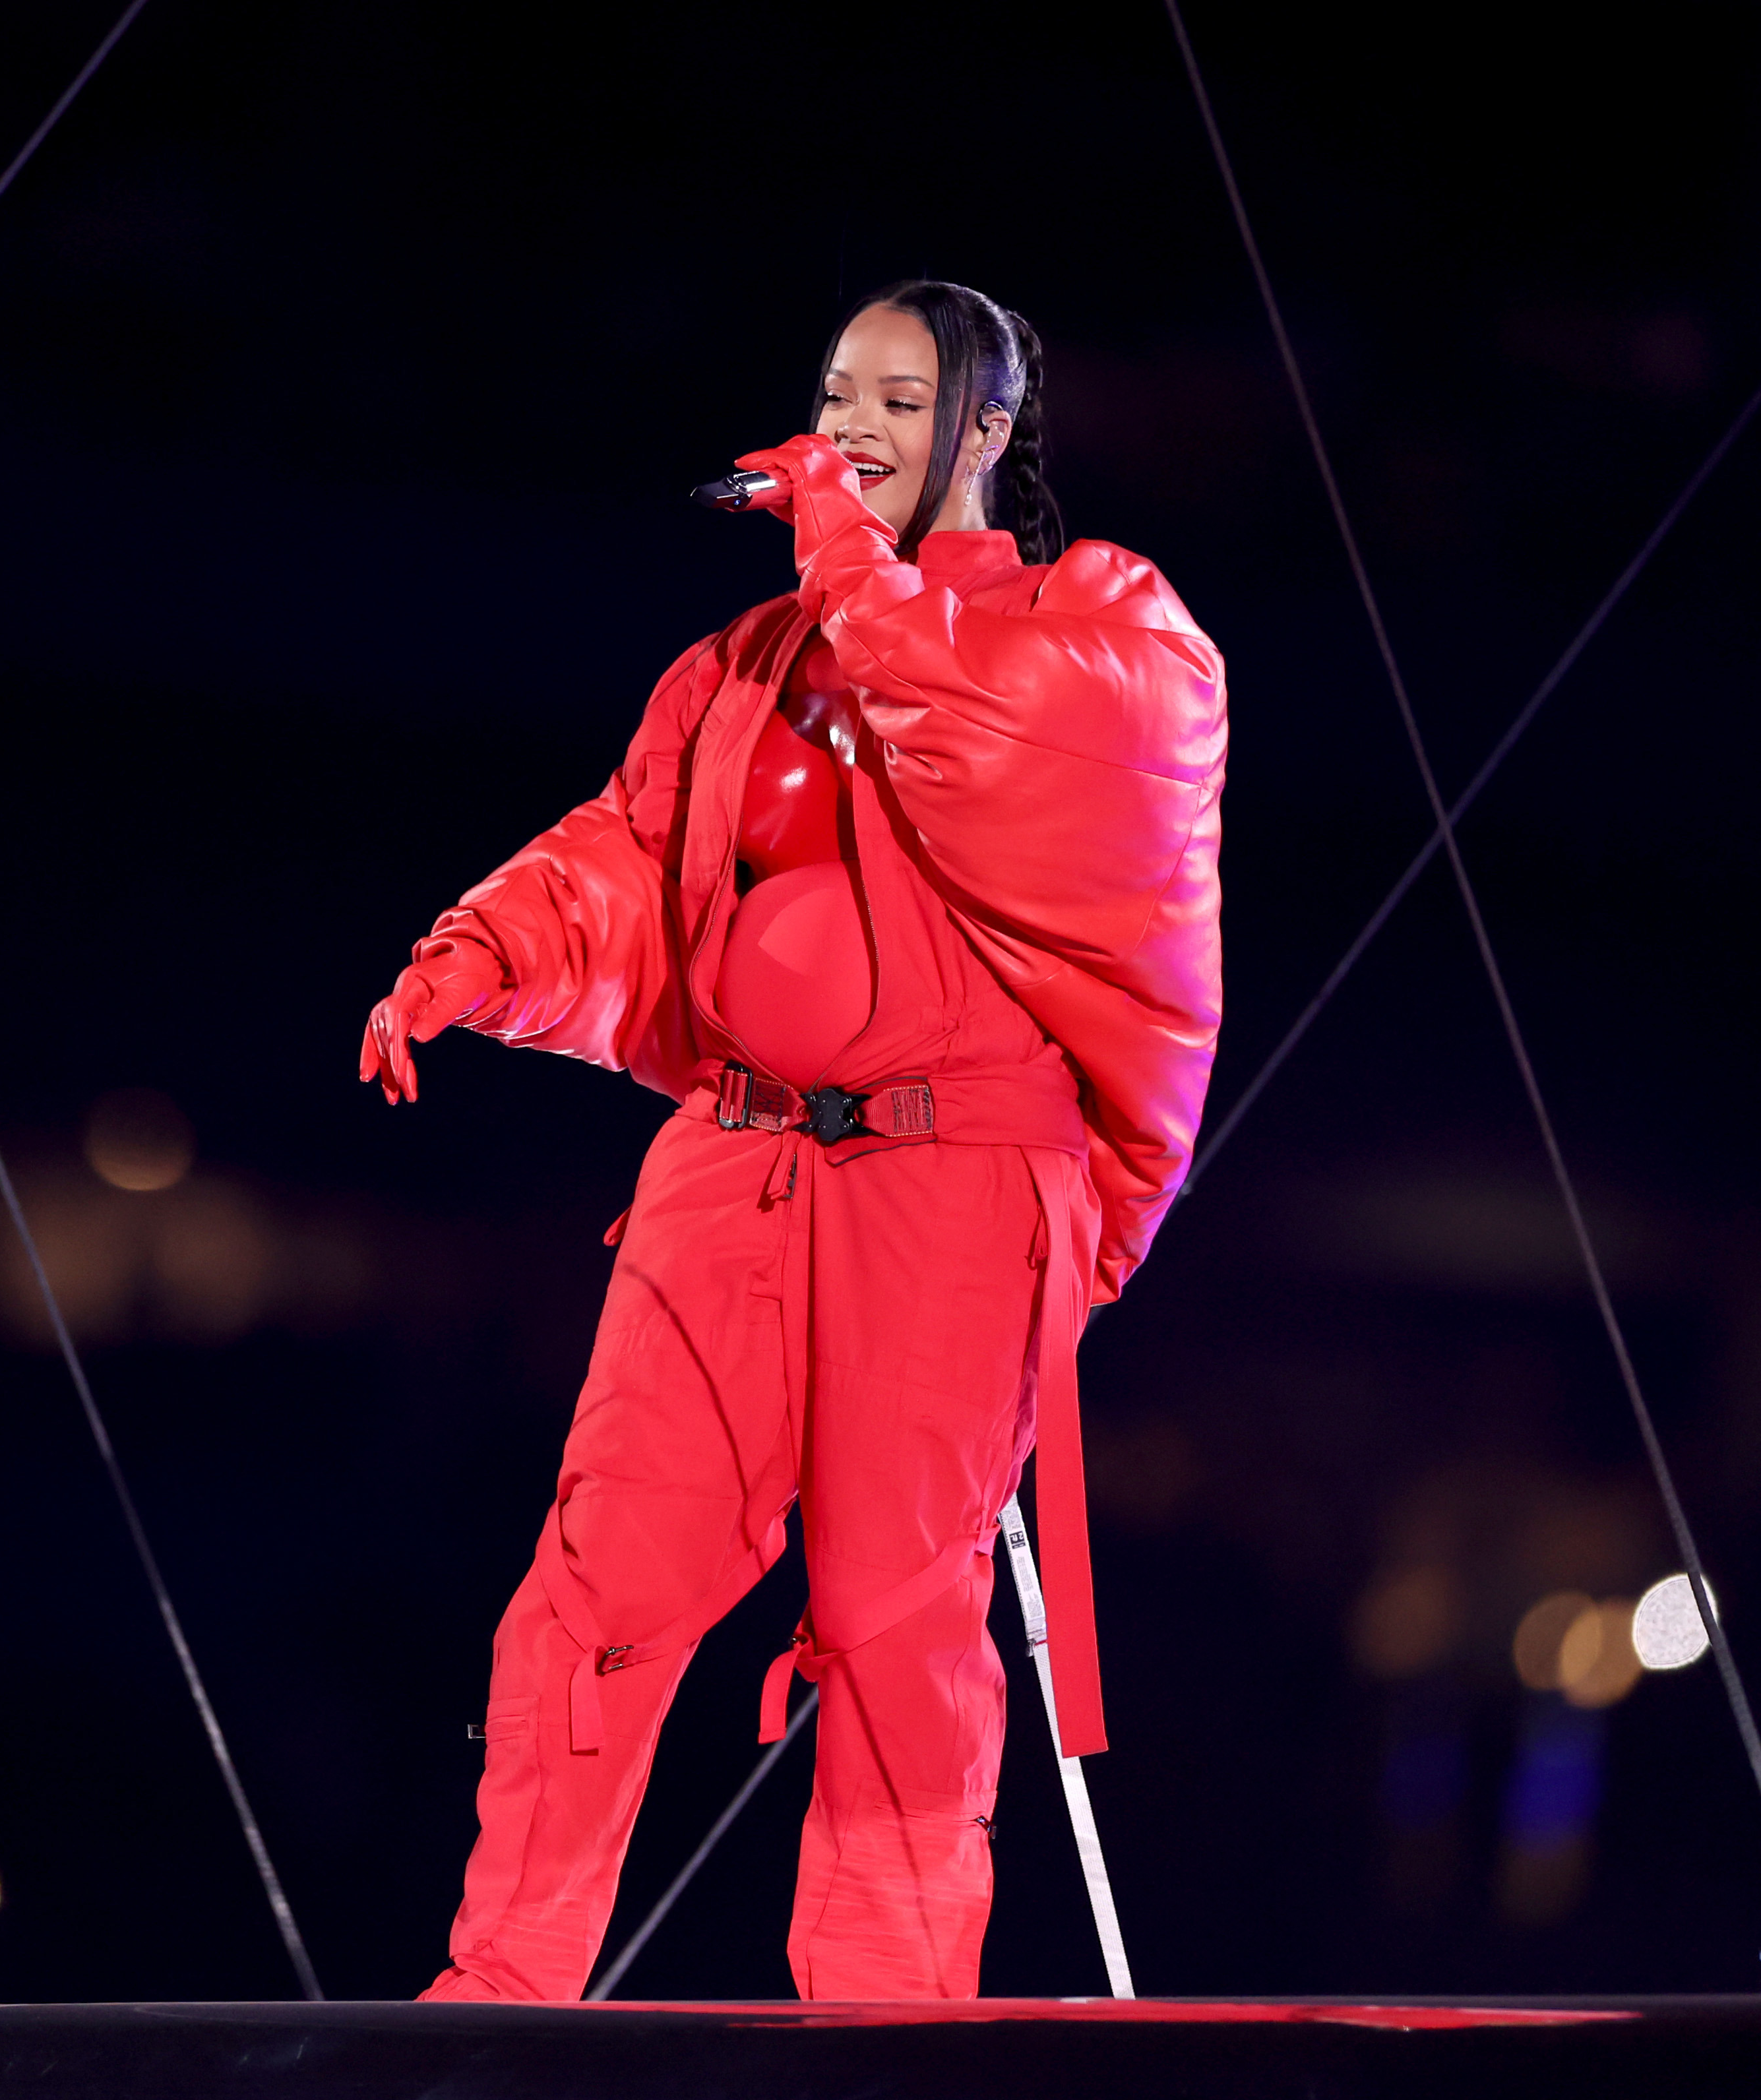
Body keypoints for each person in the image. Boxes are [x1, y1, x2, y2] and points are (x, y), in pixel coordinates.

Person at [360, 280, 1225, 2000]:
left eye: (899, 404)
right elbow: (628, 851)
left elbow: (986, 742)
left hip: (953, 1174)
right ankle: (503, 1998)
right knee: (593, 1583)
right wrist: (479, 954)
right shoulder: (742, 664)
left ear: (982, 430)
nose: (852, 432)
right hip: (733, 1165)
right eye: (840, 397)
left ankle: (884, 2023)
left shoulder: (1098, 616)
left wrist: (851, 567)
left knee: (896, 1622)